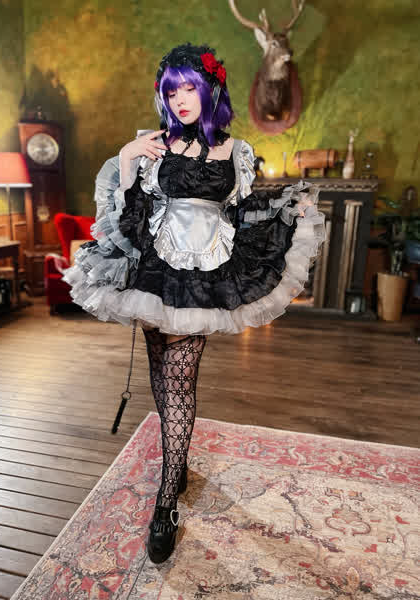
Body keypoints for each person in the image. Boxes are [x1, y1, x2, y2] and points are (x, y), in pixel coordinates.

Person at [62, 42, 326, 564]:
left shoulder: (237, 151)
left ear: (210, 90)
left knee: (180, 378)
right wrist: (128, 159)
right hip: (155, 269)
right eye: (171, 91)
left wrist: (286, 210)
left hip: (209, 271)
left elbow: (242, 211)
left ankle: (166, 503)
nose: (180, 99)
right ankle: (176, 460)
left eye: (189, 88)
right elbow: (131, 217)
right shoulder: (152, 144)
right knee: (161, 373)